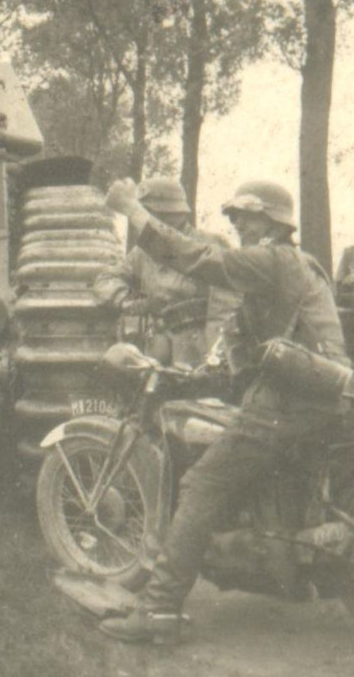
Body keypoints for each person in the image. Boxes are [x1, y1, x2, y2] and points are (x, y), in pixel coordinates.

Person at [98, 177, 350, 644]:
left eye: (244, 216)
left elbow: (198, 259)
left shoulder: (271, 260)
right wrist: (195, 375)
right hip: (324, 397)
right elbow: (238, 351)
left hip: (290, 400)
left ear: (270, 220)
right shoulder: (294, 268)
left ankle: (158, 613)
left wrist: (134, 212)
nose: (235, 224)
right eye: (232, 217)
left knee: (201, 483)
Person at [94, 177, 237, 367]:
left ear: (170, 213)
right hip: (156, 349)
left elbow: (226, 308)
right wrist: (129, 297)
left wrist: (216, 356)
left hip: (199, 350)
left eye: (148, 213)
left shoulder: (210, 245)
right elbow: (106, 278)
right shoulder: (143, 254)